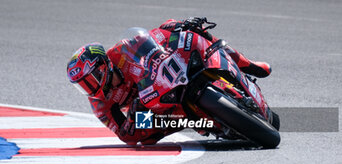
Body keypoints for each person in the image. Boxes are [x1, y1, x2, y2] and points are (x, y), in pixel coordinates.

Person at [66, 17, 272, 145]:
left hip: (162, 77)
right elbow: (124, 135)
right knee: (144, 138)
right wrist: (136, 116)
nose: (90, 89)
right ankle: (200, 121)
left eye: (91, 80)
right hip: (152, 110)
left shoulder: (119, 52)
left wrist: (173, 26)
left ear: (103, 66)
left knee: (195, 32)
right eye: (83, 86)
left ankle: (247, 64)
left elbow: (153, 38)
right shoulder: (100, 105)